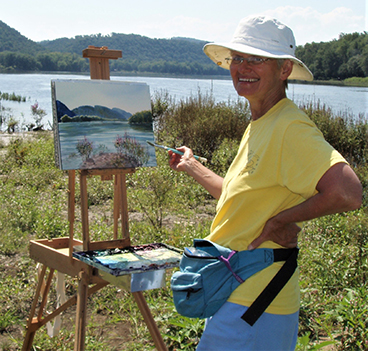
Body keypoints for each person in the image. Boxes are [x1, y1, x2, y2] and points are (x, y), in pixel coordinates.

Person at [168, 15, 363, 351]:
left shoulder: (290, 126)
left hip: (257, 305)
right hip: (237, 293)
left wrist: (281, 220)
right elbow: (239, 198)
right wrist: (192, 167)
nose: (243, 67)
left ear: (284, 70)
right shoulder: (260, 122)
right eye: (238, 58)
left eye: (256, 59)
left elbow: (348, 192)